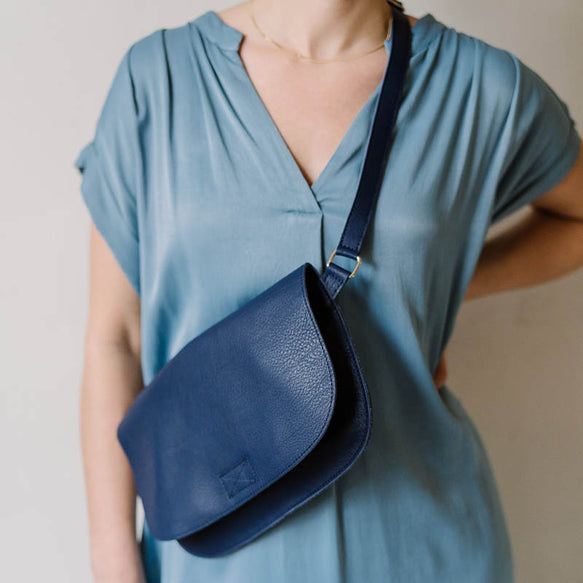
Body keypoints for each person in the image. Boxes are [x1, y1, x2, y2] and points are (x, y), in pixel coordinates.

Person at [74, 0, 583, 581]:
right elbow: (114, 340)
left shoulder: (482, 89)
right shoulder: (157, 79)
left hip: (421, 548)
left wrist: (434, 289)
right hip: (216, 560)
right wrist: (113, 559)